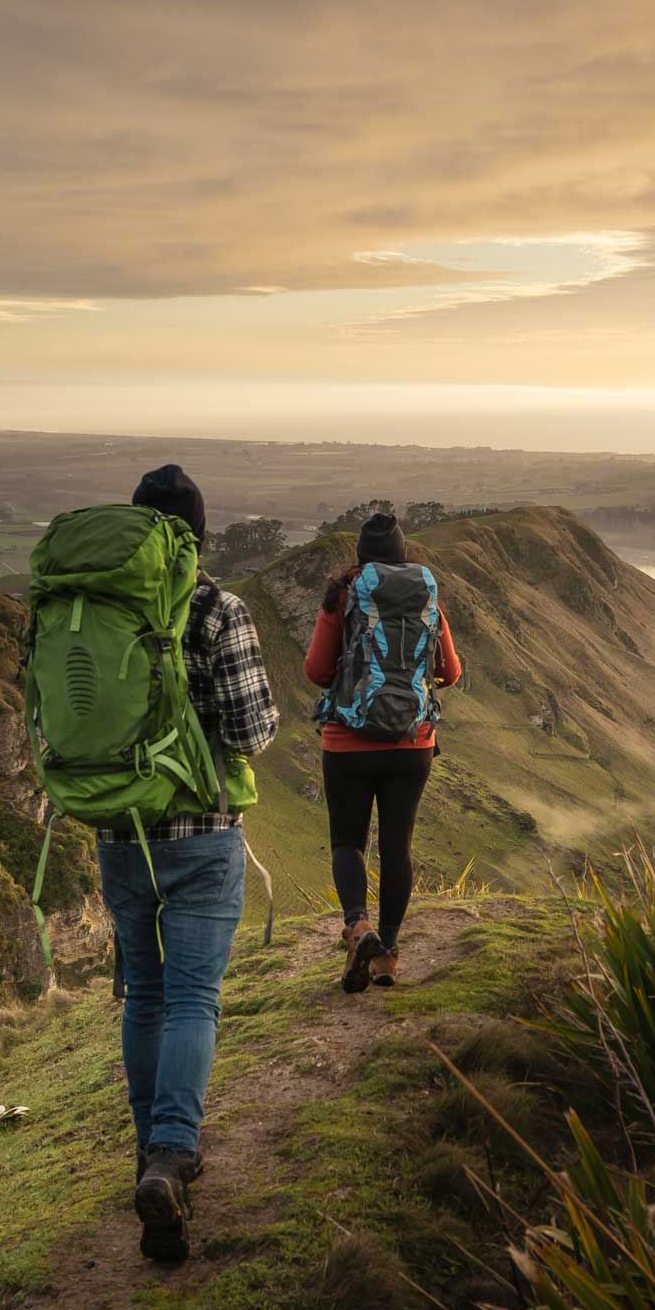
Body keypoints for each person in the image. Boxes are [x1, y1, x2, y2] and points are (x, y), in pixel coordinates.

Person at [104, 464, 279, 1264]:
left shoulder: (102, 609)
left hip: (119, 834)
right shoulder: (217, 609)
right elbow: (250, 732)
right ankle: (172, 1154)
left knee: (144, 994)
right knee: (192, 998)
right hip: (202, 835)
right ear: (201, 538)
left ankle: (150, 1155)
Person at [304, 511, 463, 992]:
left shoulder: (344, 595)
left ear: (362, 556)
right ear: (402, 554)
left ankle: (358, 927)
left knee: (348, 842)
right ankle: (388, 953)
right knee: (398, 846)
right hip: (411, 744)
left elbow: (316, 670)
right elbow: (451, 672)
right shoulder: (424, 597)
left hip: (348, 742)